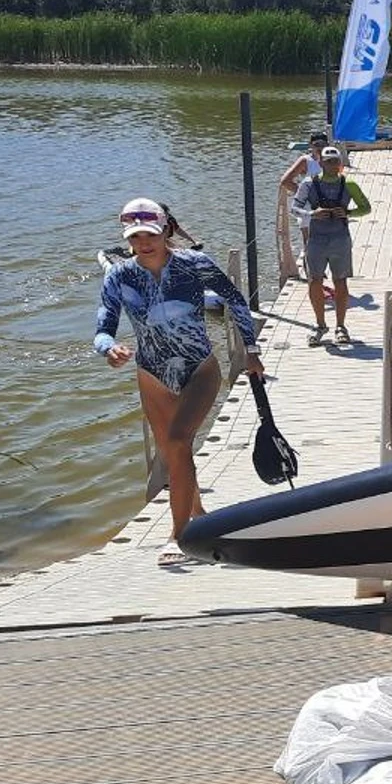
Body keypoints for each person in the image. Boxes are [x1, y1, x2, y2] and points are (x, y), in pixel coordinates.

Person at [95, 198, 264, 566]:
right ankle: (199, 514)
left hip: (199, 367)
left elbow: (235, 301)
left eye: (150, 234)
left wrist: (250, 351)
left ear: (165, 231)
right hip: (151, 373)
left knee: (176, 440)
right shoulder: (119, 275)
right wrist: (109, 348)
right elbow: (103, 328)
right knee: (175, 452)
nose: (143, 242)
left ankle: (178, 535)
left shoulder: (195, 264)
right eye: (135, 236)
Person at [293, 147, 373, 345]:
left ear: (340, 163)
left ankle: (340, 326)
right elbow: (295, 207)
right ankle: (320, 325)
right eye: (328, 162)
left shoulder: (349, 183)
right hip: (316, 240)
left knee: (341, 281)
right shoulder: (309, 183)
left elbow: (366, 208)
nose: (333, 165)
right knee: (314, 281)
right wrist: (312, 214)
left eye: (336, 161)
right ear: (320, 163)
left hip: (340, 239)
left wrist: (348, 213)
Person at [279, 133, 330, 255]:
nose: (320, 148)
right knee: (309, 242)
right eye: (316, 145)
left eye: (323, 145)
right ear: (310, 146)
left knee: (328, 242)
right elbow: (285, 181)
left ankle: (323, 271)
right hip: (308, 207)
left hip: (327, 206)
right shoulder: (306, 161)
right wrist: (303, 193)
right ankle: (311, 272)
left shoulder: (332, 160)